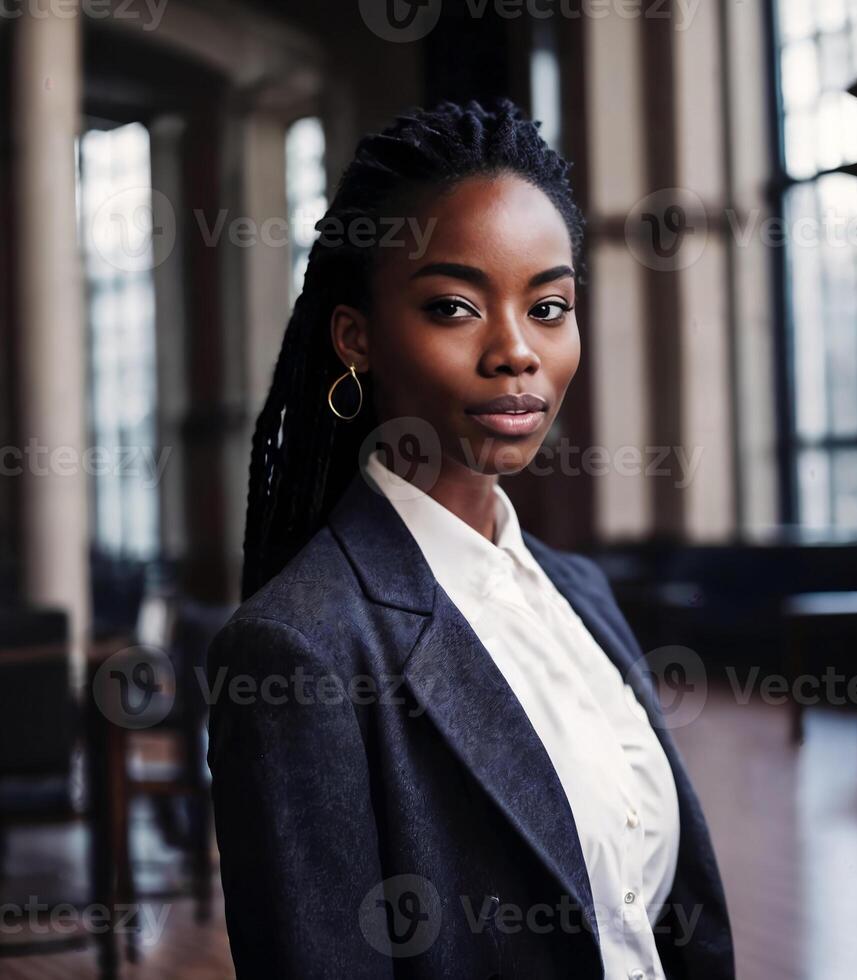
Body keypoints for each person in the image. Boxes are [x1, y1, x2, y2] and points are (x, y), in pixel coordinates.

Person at [206, 96, 735, 980]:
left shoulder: (579, 592)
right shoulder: (300, 651)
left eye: (550, 306)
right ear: (356, 339)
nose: (516, 351)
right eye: (454, 307)